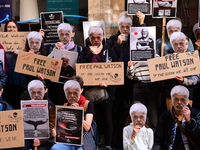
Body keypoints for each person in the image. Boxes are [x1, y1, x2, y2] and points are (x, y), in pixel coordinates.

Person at [106, 11, 146, 149]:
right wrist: (118, 45)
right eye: (122, 27)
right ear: (119, 27)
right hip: (116, 83)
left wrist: (142, 23)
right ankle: (117, 141)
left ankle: (136, 140)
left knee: (135, 110)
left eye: (128, 26)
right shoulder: (112, 39)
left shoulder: (136, 37)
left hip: (133, 81)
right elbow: (108, 58)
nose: (125, 29)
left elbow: (146, 39)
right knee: (116, 113)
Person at [78, 26, 117, 149]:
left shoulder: (109, 50)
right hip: (91, 91)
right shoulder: (84, 51)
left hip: (107, 90)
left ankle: (109, 144)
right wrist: (90, 54)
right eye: (93, 38)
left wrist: (108, 82)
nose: (96, 40)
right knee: (96, 117)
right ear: (89, 38)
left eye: (98, 37)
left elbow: (116, 68)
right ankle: (97, 141)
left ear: (103, 37)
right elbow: (80, 68)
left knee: (107, 117)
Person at [51, 80, 96, 150]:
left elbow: (87, 127)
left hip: (83, 142)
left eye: (75, 93)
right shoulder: (65, 105)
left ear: (80, 92)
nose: (72, 96)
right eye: (69, 93)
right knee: (55, 148)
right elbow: (59, 126)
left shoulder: (88, 104)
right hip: (68, 140)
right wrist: (54, 131)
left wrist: (77, 112)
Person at [153, 85, 200, 149]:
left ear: (187, 101)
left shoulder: (197, 114)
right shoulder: (164, 117)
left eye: (182, 100)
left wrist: (189, 121)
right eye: (176, 99)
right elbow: (158, 141)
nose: (179, 102)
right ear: (172, 100)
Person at [162, 32, 200, 111]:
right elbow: (160, 76)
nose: (179, 46)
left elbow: (196, 79)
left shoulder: (192, 58)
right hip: (170, 94)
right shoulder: (167, 58)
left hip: (187, 94)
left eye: (182, 43)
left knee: (186, 118)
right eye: (176, 44)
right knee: (172, 118)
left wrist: (183, 80)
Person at [21, 80, 55, 150]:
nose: (36, 95)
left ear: (44, 92)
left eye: (39, 92)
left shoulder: (50, 106)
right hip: (28, 137)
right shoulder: (25, 104)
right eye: (33, 92)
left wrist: (41, 140)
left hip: (44, 139)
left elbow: (51, 127)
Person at [2, 19, 25, 109]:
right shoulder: (1, 41)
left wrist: (21, 53)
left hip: (19, 78)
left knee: (18, 101)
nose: (12, 29)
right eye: (9, 27)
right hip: (5, 78)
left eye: (14, 27)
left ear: (18, 29)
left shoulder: (24, 42)